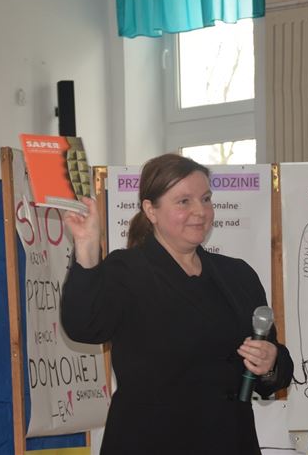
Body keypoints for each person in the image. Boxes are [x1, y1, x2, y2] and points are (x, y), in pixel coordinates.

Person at [61, 153, 293, 454]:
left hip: (230, 441)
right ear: (151, 210)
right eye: (184, 201)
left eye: (206, 199)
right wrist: (87, 246)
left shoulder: (238, 275)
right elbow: (84, 326)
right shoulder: (126, 270)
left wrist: (270, 362)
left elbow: (273, 371)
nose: (200, 211)